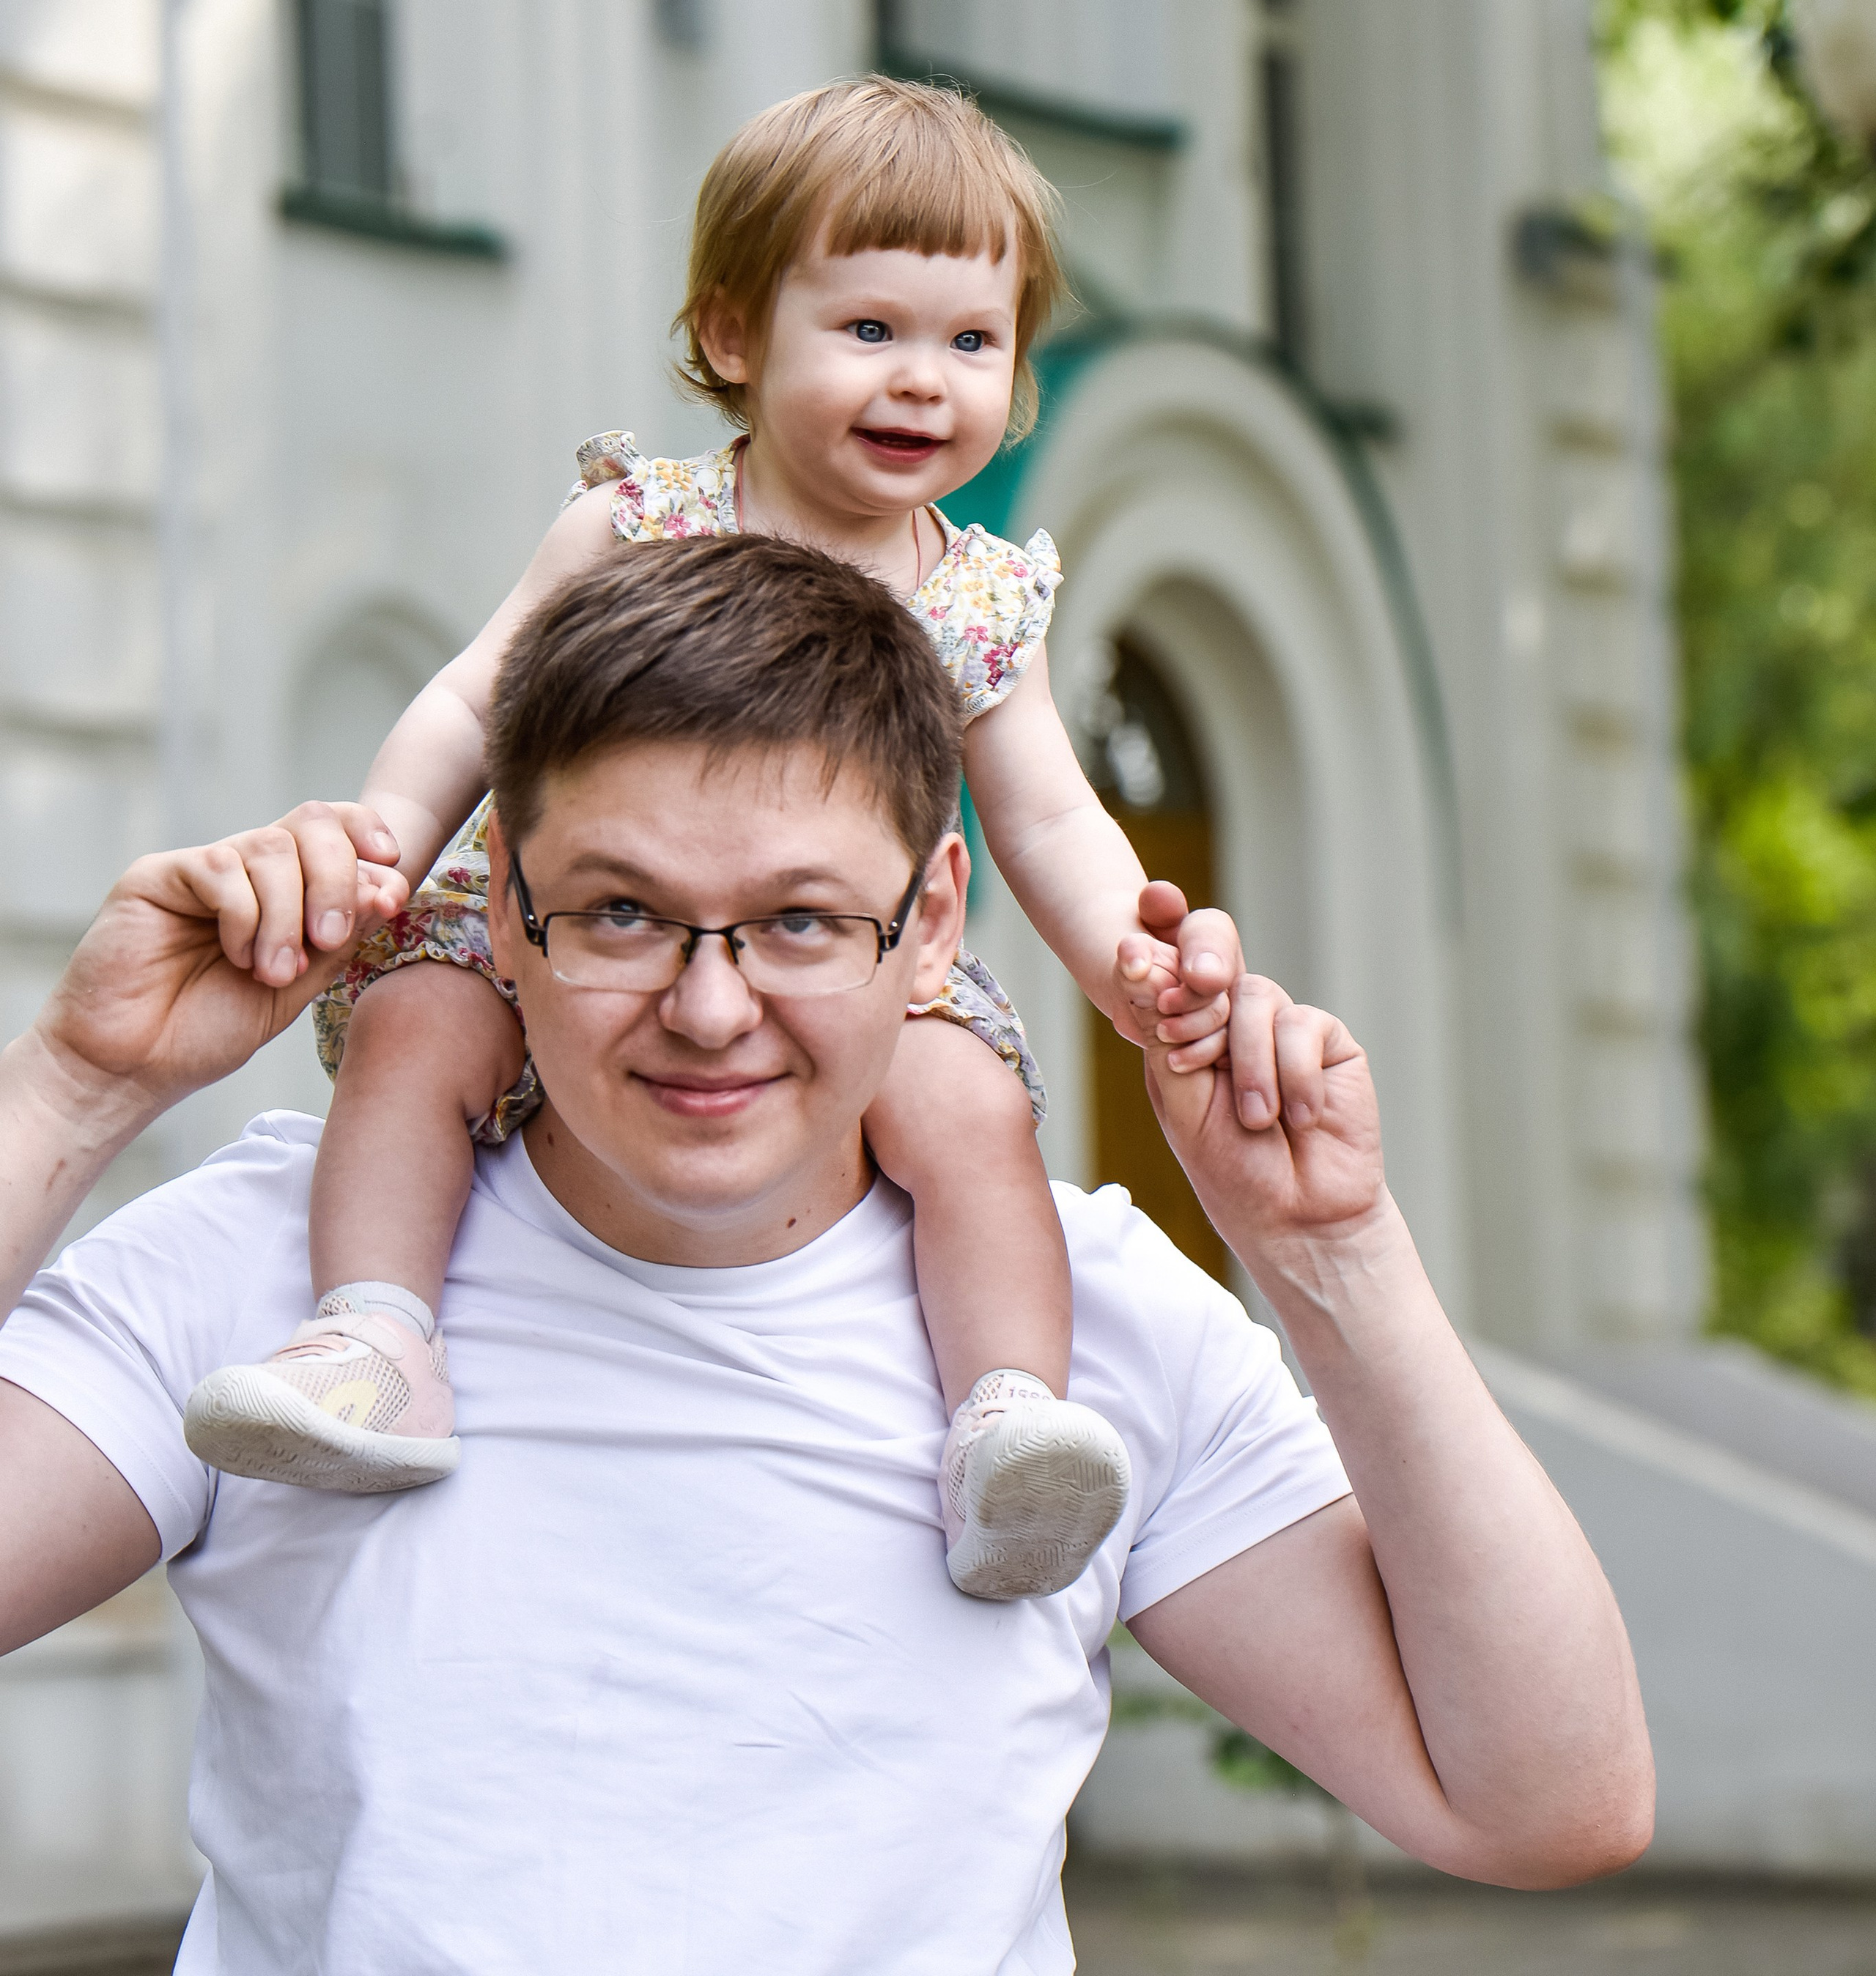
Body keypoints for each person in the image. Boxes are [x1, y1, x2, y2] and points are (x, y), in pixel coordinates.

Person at [0, 538, 1651, 1972]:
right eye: (622, 914)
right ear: (497, 906)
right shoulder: (277, 1275)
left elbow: (1543, 1800)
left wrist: (1331, 1256)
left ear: (933, 919)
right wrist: (76, 1091)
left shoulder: (1078, 1326)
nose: (710, 1011)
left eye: (799, 920)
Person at [183, 76, 1246, 1603]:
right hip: (566, 934)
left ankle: (1005, 1418)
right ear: (736, 335)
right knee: (418, 1031)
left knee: (962, 1109)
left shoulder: (975, 596)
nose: (920, 382)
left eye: (969, 342)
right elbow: (476, 697)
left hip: (833, 972)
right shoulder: (641, 524)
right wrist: (381, 847)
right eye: (868, 330)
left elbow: (1050, 821)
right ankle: (376, 1339)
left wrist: (1132, 971)